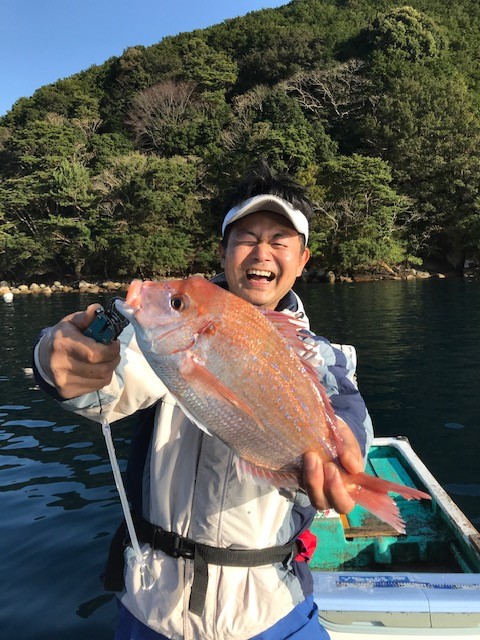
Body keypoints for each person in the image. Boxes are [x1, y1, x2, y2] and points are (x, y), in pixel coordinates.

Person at [33, 161, 373, 640]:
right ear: (224, 250)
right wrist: (55, 360)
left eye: (280, 240)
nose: (262, 251)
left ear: (303, 260)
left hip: (271, 609)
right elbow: (103, 390)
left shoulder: (323, 357)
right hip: (153, 604)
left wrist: (346, 451)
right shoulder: (165, 333)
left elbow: (350, 418)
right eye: (246, 237)